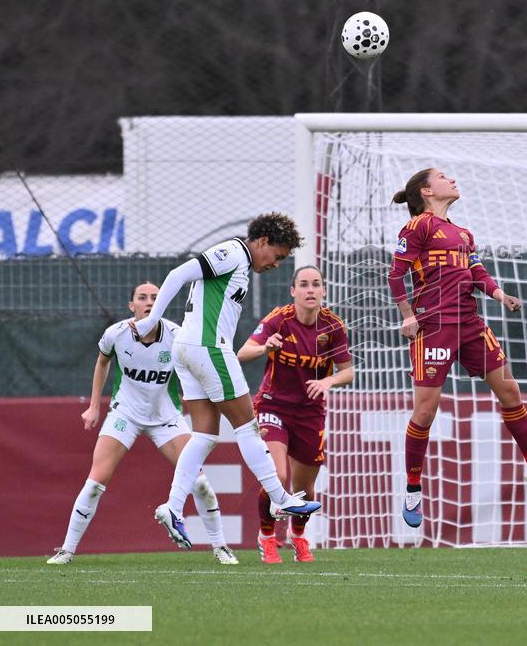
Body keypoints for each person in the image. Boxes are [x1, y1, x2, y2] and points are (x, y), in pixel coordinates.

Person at [387, 168, 527, 530]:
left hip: (471, 324)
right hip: (435, 327)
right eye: (443, 177)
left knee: (510, 390)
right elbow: (396, 275)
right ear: (427, 191)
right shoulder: (418, 226)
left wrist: (499, 294)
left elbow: (477, 272)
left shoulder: (463, 233)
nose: (452, 180)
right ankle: (412, 489)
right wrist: (408, 315)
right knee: (425, 412)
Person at [132, 212, 322, 551]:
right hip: (208, 349)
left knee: (204, 435)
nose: (276, 264)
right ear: (262, 242)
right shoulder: (234, 253)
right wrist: (150, 322)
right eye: (277, 256)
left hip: (188, 352)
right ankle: (281, 498)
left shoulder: (242, 265)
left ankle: (173, 507)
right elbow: (178, 274)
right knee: (248, 427)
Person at [48, 282, 237, 565]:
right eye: (143, 297)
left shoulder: (177, 336)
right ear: (131, 306)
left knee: (200, 483)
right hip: (125, 414)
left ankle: (221, 547)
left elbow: (196, 367)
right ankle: (67, 550)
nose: (149, 302)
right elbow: (102, 362)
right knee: (95, 482)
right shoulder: (117, 333)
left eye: (155, 297)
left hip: (167, 418)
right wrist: (93, 406)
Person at [237, 265, 354, 563]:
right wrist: (265, 346)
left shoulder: (333, 327)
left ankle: (297, 536)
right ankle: (266, 536)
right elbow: (242, 353)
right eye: (304, 284)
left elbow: (348, 372)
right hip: (273, 405)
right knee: (277, 475)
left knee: (306, 490)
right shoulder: (279, 319)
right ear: (293, 291)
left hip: (310, 412)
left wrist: (328, 381)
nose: (310, 289)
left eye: (316, 284)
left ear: (324, 291)